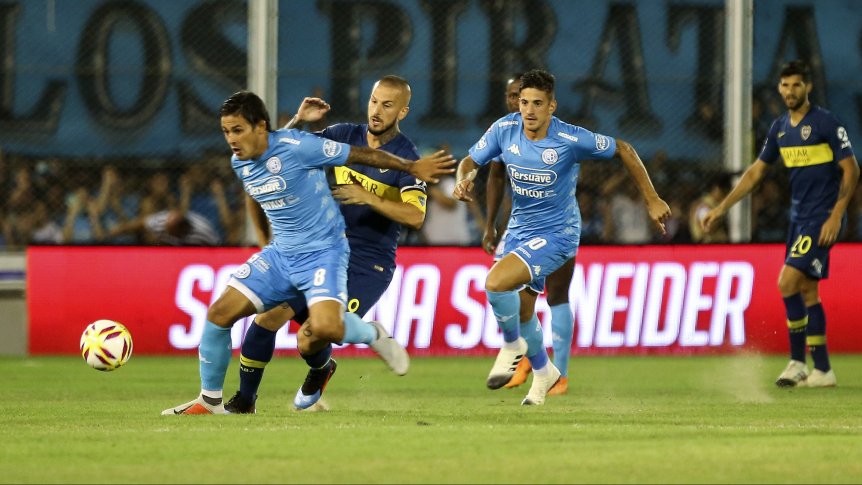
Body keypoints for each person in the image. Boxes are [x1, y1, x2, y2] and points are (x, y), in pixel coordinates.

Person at [162, 90, 454, 415]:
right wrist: (264, 240)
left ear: (403, 111)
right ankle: (221, 400)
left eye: (237, 130)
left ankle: (363, 340)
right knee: (234, 316)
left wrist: (406, 171)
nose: (231, 139)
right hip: (284, 254)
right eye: (226, 131)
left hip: (340, 255)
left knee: (317, 332)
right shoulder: (247, 158)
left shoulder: (392, 152)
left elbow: (365, 165)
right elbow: (267, 167)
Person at [453, 69, 670, 405]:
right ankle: (545, 374)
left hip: (558, 233)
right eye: (524, 102)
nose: (529, 110)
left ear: (551, 106)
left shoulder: (570, 139)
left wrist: (652, 198)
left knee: (496, 283)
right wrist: (463, 179)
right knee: (524, 312)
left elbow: (624, 149)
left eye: (537, 103)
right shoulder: (504, 129)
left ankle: (511, 345)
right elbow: (470, 160)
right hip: (520, 230)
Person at [224, 75, 432, 414]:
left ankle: (323, 367)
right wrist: (297, 120)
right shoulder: (342, 135)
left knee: (309, 338)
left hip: (367, 262)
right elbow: (277, 151)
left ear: (403, 112)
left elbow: (415, 216)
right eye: (374, 101)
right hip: (318, 249)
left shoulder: (406, 157)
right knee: (267, 318)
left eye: (387, 105)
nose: (376, 111)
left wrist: (368, 197)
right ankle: (245, 400)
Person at [702, 60, 858, 388]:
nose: (789, 91)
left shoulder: (826, 123)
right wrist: (722, 208)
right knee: (808, 290)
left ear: (808, 87)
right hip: (798, 219)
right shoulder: (780, 129)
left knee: (786, 282)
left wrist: (836, 215)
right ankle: (823, 370)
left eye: (796, 85)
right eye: (785, 85)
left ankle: (797, 363)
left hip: (821, 217)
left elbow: (851, 169)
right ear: (779, 88)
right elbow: (755, 173)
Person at [481, 73, 576, 396]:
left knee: (557, 293)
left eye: (520, 97)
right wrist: (490, 224)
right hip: (520, 227)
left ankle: (559, 373)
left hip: (559, 225)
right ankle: (536, 365)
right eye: (513, 98)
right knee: (518, 300)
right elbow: (495, 176)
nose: (516, 104)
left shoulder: (558, 134)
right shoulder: (504, 132)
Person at [689, 172, 732, 243]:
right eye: (725, 191)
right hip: (709, 244)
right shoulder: (705, 205)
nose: (727, 195)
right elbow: (708, 227)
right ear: (717, 189)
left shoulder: (714, 204)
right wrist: (721, 216)